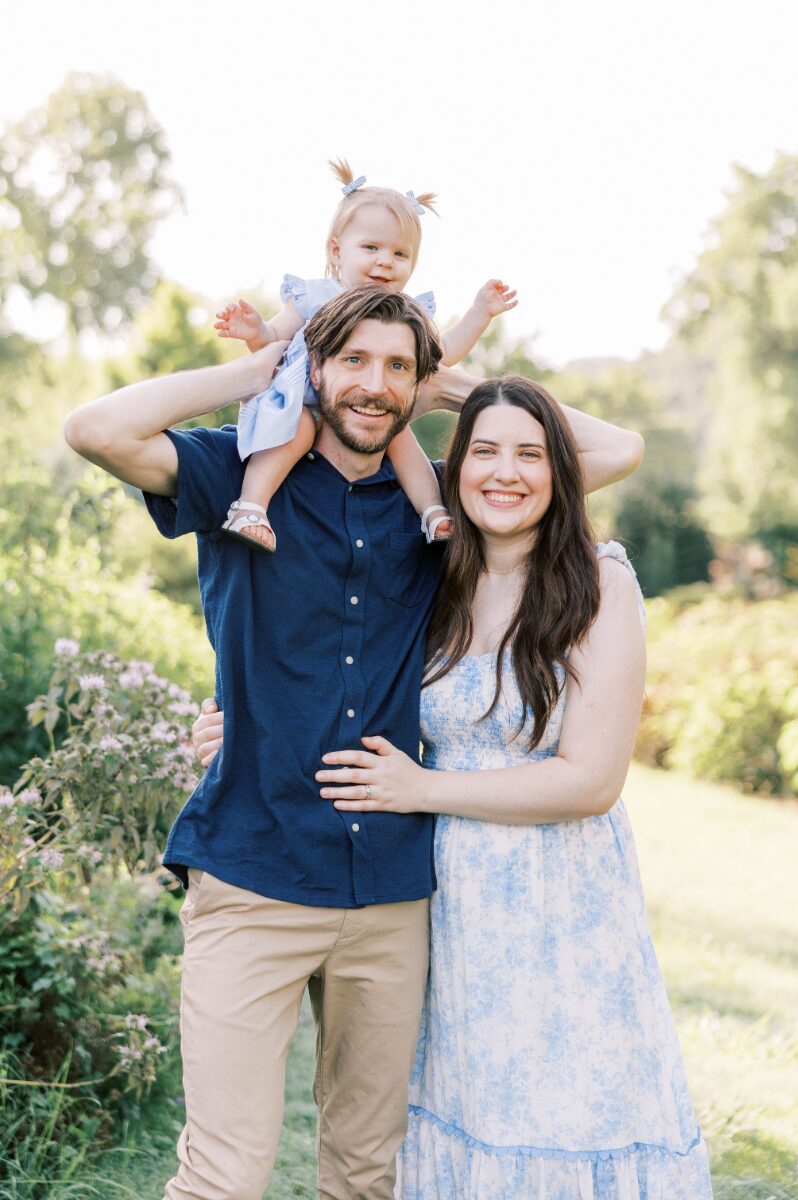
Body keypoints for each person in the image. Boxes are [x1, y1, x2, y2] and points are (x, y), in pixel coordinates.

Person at [62, 285, 642, 1200]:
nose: (376, 385)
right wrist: (261, 369)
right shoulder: (239, 474)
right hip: (251, 873)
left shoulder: (439, 508)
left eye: (398, 367)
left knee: (368, 1176)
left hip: (392, 895)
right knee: (223, 1174)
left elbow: (607, 453)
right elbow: (96, 429)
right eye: (355, 361)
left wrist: (460, 390)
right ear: (317, 367)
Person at [199, 376, 713, 1197]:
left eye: (531, 454)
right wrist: (243, 718)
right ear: (452, 470)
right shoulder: (434, 569)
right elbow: (337, 665)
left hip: (559, 902)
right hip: (441, 900)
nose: (505, 474)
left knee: (561, 1112)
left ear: (559, 473)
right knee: (457, 1110)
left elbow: (592, 782)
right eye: (483, 452)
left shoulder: (597, 580)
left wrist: (455, 389)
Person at [212, 159, 518, 552]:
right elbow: (273, 341)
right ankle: (251, 507)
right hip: (302, 403)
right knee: (300, 429)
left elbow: (444, 356)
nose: (385, 261)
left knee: (402, 438)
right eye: (371, 247)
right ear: (337, 251)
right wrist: (254, 330)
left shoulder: (407, 315)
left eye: (399, 254)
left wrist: (480, 313)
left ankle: (433, 513)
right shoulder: (317, 296)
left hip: (367, 413)